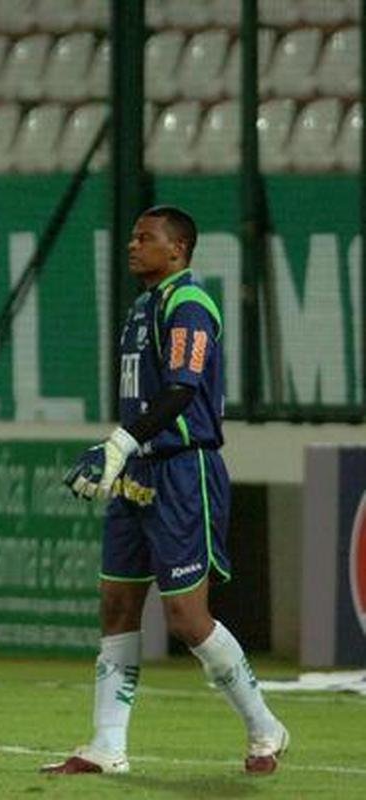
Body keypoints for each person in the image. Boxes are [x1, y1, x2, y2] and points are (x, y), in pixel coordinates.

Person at [44, 206, 288, 776]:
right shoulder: (140, 309)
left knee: (185, 616)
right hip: (138, 472)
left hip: (183, 472)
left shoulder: (190, 305)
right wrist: (125, 449)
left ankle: (264, 726)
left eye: (145, 238)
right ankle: (107, 745)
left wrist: (122, 441)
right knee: (117, 602)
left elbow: (181, 391)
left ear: (177, 249)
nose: (133, 245)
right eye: (131, 235)